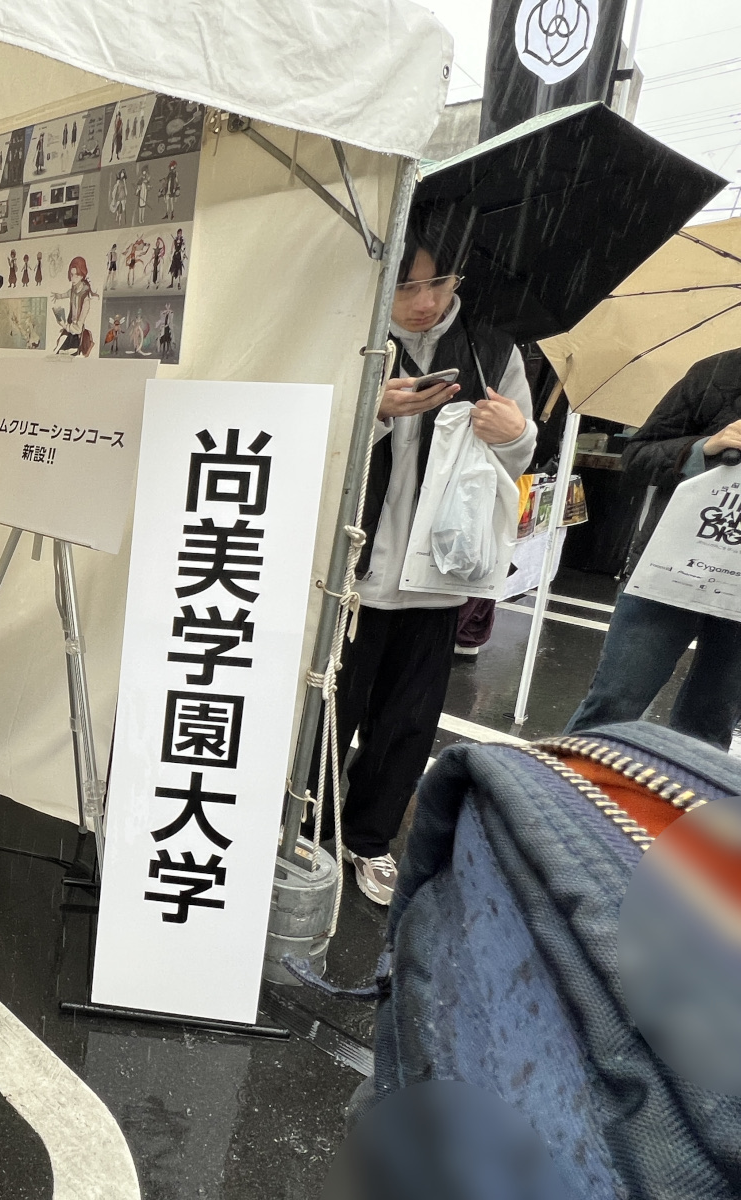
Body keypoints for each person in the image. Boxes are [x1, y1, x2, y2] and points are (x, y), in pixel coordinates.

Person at [314, 221, 537, 905]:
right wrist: (370, 412)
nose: (423, 301)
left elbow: (518, 460)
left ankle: (368, 838)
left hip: (439, 576)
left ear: (458, 278)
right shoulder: (353, 339)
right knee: (328, 709)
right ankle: (307, 827)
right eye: (406, 286)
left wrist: (517, 435)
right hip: (355, 574)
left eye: (437, 283)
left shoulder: (492, 352)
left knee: (407, 723)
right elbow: (315, 439)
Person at [565, 348, 741, 749]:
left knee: (709, 726)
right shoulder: (716, 372)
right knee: (614, 706)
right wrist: (704, 448)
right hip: (670, 568)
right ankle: (566, 785)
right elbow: (638, 455)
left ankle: (681, 792)